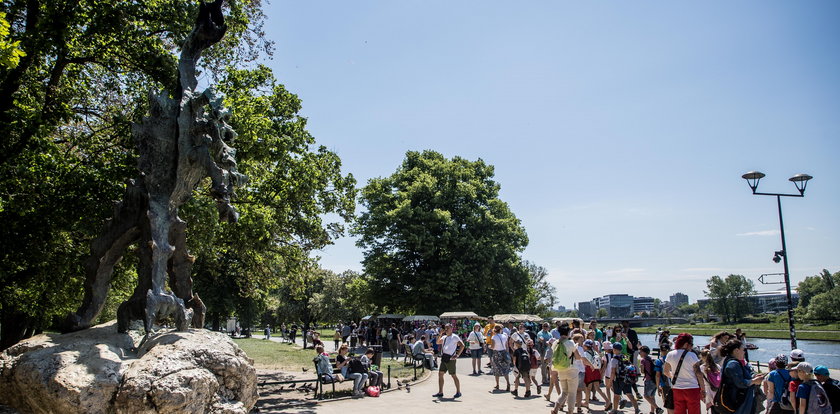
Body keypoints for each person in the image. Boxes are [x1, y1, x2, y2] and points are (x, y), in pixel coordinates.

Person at [719, 339, 765, 414]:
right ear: (736, 350)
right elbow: (740, 383)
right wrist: (754, 381)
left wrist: (754, 376)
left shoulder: (733, 361)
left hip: (741, 402)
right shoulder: (732, 364)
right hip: (739, 403)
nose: (744, 352)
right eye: (743, 350)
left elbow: (745, 376)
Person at [664, 333, 706, 414]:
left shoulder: (670, 354)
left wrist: (674, 376)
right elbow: (699, 374)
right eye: (691, 344)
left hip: (677, 389)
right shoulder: (692, 355)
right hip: (692, 389)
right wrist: (703, 389)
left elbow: (665, 371)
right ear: (686, 344)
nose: (692, 346)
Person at [551, 323, 585, 414]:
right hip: (572, 370)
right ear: (568, 332)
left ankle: (556, 409)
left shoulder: (555, 343)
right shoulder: (570, 343)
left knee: (564, 392)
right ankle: (570, 411)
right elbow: (578, 357)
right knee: (572, 393)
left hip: (560, 369)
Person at [432, 323, 465, 399]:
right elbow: (437, 342)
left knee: (453, 375)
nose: (446, 329)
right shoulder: (444, 337)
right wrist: (440, 334)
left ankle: (458, 392)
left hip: (451, 358)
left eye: (448, 328)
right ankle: (440, 392)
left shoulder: (455, 337)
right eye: (445, 328)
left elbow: (462, 345)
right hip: (444, 357)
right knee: (440, 374)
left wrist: (457, 355)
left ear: (451, 328)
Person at [610, 342, 641, 414]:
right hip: (627, 378)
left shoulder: (614, 359)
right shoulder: (625, 357)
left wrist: (611, 381)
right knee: (630, 394)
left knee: (616, 395)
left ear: (614, 349)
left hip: (618, 379)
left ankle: (614, 410)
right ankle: (637, 409)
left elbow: (613, 371)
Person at [584, 339, 609, 408]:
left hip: (589, 371)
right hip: (596, 371)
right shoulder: (595, 352)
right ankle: (607, 401)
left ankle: (586, 402)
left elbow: (585, 362)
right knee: (598, 388)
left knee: (588, 388)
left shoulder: (585, 353)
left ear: (586, 346)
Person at [641, 346, 665, 414]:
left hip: (648, 380)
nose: (640, 353)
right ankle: (652, 411)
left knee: (646, 396)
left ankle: (657, 408)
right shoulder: (651, 359)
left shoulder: (643, 360)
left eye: (641, 352)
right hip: (654, 380)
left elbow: (642, 371)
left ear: (644, 352)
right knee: (652, 396)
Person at [698, 348, 720, 413]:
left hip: (708, 390)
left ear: (702, 357)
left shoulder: (702, 367)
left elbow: (699, 380)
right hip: (717, 389)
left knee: (710, 409)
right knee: (717, 409)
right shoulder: (717, 366)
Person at [490, 324, 512, 392]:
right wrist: (507, 353)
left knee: (496, 369)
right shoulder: (504, 336)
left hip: (497, 353)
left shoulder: (494, 337)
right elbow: (506, 346)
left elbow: (493, 347)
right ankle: (508, 383)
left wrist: (489, 347)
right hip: (504, 352)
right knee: (505, 369)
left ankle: (497, 384)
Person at [655, 342, 674, 414]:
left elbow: (657, 375)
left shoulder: (659, 361)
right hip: (676, 384)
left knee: (667, 404)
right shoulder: (674, 359)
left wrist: (658, 386)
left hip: (665, 385)